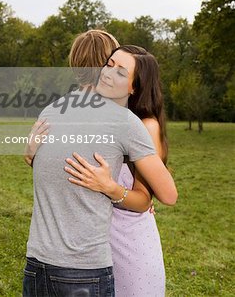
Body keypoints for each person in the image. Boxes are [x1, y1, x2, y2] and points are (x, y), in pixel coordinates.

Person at [23, 30, 177, 297]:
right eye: (111, 63)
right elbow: (168, 194)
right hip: (86, 264)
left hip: (40, 262)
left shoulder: (49, 113)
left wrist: (31, 156)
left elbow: (55, 170)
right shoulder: (123, 121)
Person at [65, 45, 169, 296]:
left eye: (120, 71)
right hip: (97, 245)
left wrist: (112, 189)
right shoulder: (107, 118)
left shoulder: (146, 126)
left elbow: (154, 197)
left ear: (135, 86)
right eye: (108, 65)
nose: (109, 73)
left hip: (130, 244)